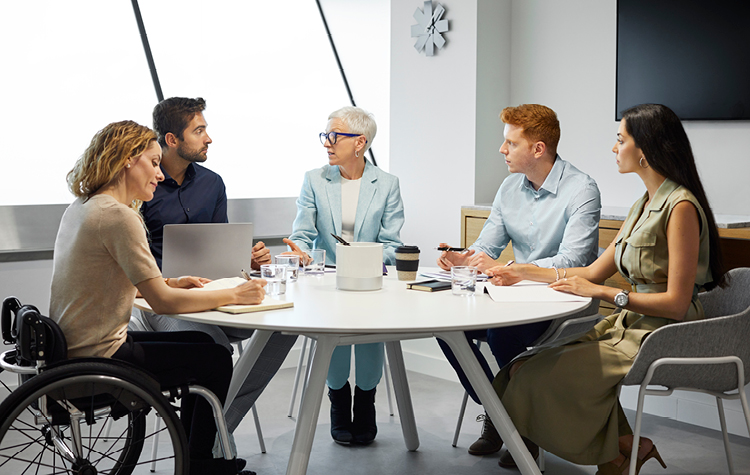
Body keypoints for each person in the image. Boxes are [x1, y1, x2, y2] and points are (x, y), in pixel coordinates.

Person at [484, 103, 726, 474]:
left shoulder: (680, 207)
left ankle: (615, 453)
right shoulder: (642, 205)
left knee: (545, 375)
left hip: (661, 332)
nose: (614, 149)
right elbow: (593, 271)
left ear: (644, 149)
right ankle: (626, 448)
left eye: (620, 140)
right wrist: (523, 272)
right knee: (520, 369)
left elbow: (677, 305)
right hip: (628, 323)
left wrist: (605, 295)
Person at [50, 120, 263, 475]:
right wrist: (236, 294)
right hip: (102, 353)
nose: (160, 174)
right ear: (127, 160)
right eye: (153, 163)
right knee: (214, 358)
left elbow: (108, 282)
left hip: (73, 347)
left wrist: (172, 281)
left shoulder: (84, 207)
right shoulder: (119, 217)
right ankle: (200, 462)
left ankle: (198, 457)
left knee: (198, 345)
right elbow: (163, 304)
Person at [435, 104, 601, 455]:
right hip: (513, 295)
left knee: (501, 332)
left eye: (510, 143)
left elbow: (575, 259)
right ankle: (503, 414)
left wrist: (517, 269)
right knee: (447, 327)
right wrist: (462, 258)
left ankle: (513, 426)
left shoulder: (582, 189)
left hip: (561, 301)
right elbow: (486, 245)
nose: (502, 149)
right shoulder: (510, 187)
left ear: (537, 149)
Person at [139, 97, 297, 442]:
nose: (208, 138)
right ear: (172, 140)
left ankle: (220, 426)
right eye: (199, 130)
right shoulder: (143, 187)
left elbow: (219, 251)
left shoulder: (213, 183)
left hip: (217, 295)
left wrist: (247, 260)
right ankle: (204, 447)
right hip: (165, 300)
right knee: (209, 345)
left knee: (283, 331)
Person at [284, 106, 405, 445]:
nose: (326, 143)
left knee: (370, 327)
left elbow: (393, 246)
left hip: (371, 280)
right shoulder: (314, 179)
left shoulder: (387, 184)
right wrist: (303, 252)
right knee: (334, 326)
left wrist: (359, 256)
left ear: (359, 142)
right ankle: (338, 400)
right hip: (326, 281)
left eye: (333, 136)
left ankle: (366, 402)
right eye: (324, 136)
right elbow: (303, 234)